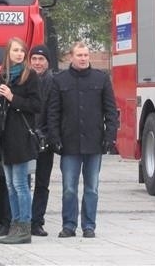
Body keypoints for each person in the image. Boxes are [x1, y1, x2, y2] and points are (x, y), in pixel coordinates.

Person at [47, 41, 118, 239]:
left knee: (91, 188)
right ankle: (69, 225)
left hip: (94, 143)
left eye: (86, 55)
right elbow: (53, 112)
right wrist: (55, 138)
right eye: (79, 55)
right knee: (69, 188)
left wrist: (110, 137)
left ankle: (89, 226)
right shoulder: (59, 80)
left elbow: (111, 111)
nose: (83, 58)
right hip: (69, 144)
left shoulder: (101, 79)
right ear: (71, 57)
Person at [0, 37, 41, 244]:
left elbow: (36, 105)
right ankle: (14, 224)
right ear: (8, 54)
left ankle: (24, 228)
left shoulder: (29, 76)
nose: (19, 54)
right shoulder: (2, 76)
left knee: (21, 185)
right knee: (10, 185)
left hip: (20, 137)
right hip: (4, 137)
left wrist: (12, 98)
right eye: (15, 51)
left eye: (22, 51)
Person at [28, 44, 55, 237]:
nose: (37, 63)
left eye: (41, 59)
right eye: (34, 59)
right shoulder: (23, 80)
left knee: (42, 182)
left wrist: (49, 135)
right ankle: (18, 219)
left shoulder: (54, 82)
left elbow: (56, 112)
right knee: (20, 182)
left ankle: (37, 221)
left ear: (47, 62)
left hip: (45, 139)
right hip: (24, 138)